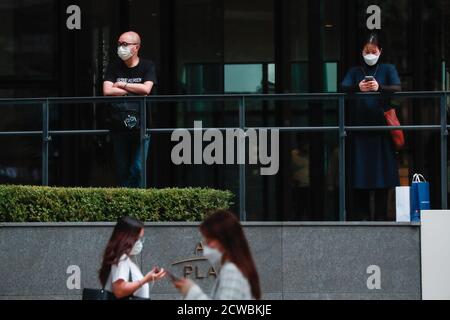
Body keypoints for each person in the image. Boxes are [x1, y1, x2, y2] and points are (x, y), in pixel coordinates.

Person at [341, 32, 402, 221]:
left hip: (381, 131)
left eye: (373, 51)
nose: (370, 54)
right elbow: (342, 88)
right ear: (362, 51)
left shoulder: (387, 69)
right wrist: (357, 88)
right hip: (360, 131)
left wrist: (379, 87)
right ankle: (363, 218)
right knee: (360, 175)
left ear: (380, 51)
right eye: (367, 51)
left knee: (382, 176)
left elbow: (398, 88)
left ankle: (382, 217)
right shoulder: (354, 71)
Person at [103, 31, 157, 188]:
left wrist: (123, 85)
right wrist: (135, 89)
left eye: (125, 44)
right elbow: (107, 91)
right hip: (118, 126)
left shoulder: (147, 66)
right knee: (122, 170)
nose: (121, 47)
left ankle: (137, 203)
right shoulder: (113, 68)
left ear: (136, 47)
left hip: (142, 126)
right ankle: (125, 205)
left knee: (138, 168)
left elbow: (147, 89)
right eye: (119, 44)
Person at [173, 210, 261, 300]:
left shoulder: (231, 270)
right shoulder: (235, 268)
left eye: (209, 241)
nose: (205, 246)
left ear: (225, 240)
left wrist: (192, 292)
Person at [99, 216, 166, 299]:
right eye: (138, 238)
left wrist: (148, 277)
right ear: (127, 238)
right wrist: (145, 280)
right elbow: (120, 291)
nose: (140, 242)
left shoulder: (121, 258)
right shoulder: (121, 259)